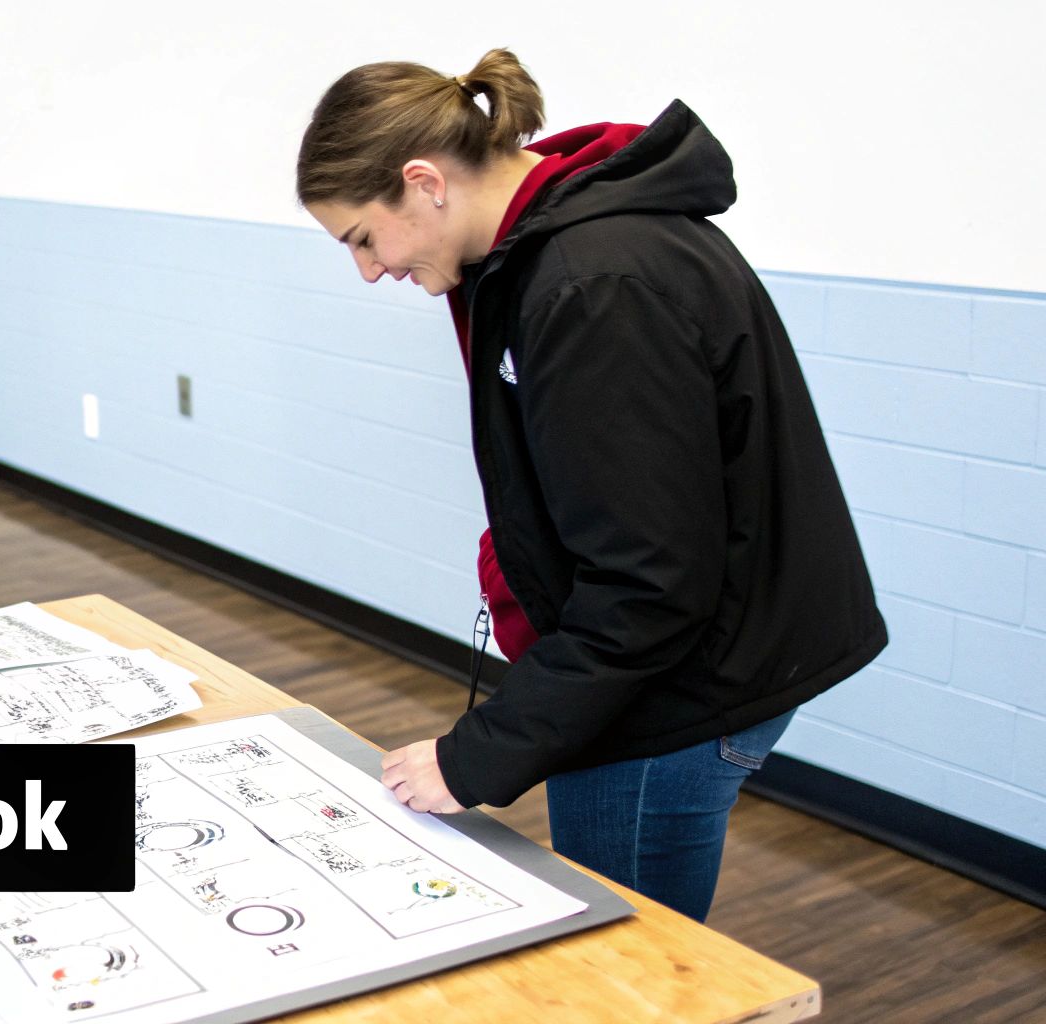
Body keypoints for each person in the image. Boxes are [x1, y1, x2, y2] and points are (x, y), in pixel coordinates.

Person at [297, 50, 886, 921]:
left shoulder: (594, 285)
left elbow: (648, 589)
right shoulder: (561, 246)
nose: (370, 270)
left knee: (632, 973)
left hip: (677, 695)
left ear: (423, 183)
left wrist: (473, 757)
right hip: (685, 662)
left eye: (362, 238)